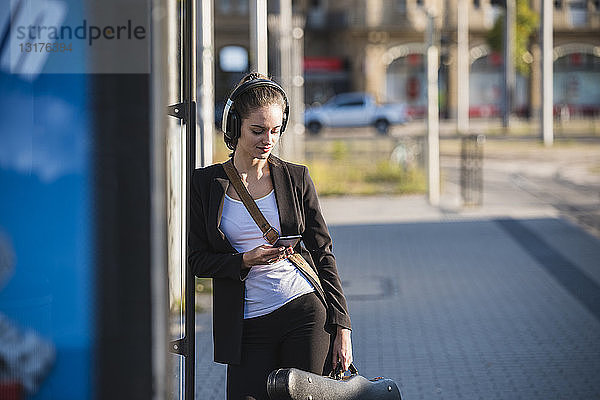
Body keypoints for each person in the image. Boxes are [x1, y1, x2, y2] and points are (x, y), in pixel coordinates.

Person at [188, 72, 352, 400]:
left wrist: (342, 325)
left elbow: (323, 252)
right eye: (258, 130)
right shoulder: (205, 185)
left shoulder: (296, 177)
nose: (268, 140)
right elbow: (196, 260)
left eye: (276, 130)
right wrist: (244, 260)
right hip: (247, 324)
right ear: (234, 128)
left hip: (304, 312)